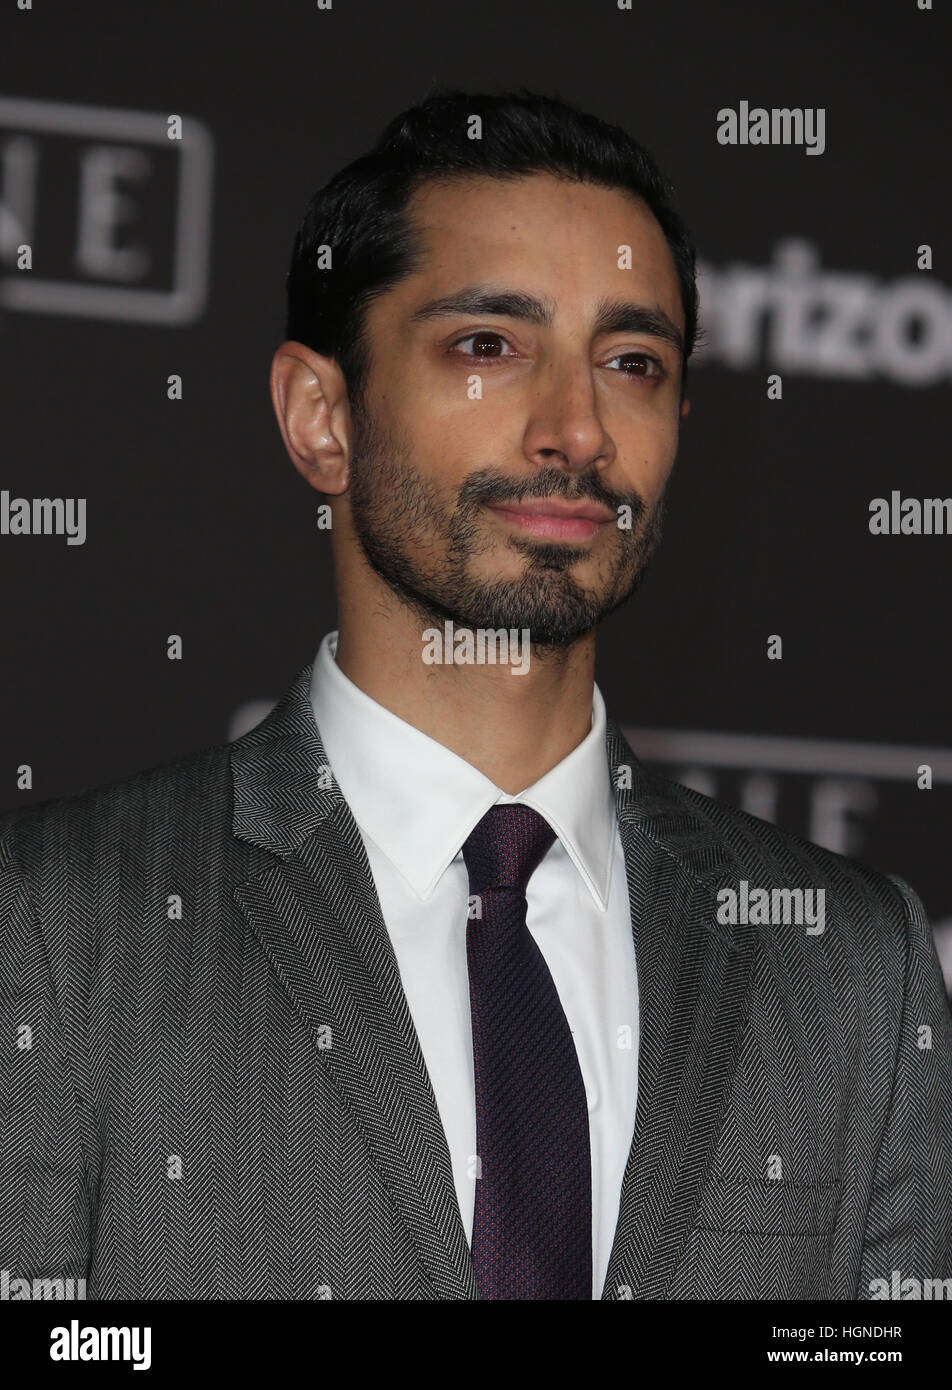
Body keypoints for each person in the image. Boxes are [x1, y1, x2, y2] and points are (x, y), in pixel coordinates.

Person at [2, 88, 950, 1302]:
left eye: (632, 362)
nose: (576, 429)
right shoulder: (54, 922)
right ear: (321, 416)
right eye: (488, 346)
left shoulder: (852, 967)